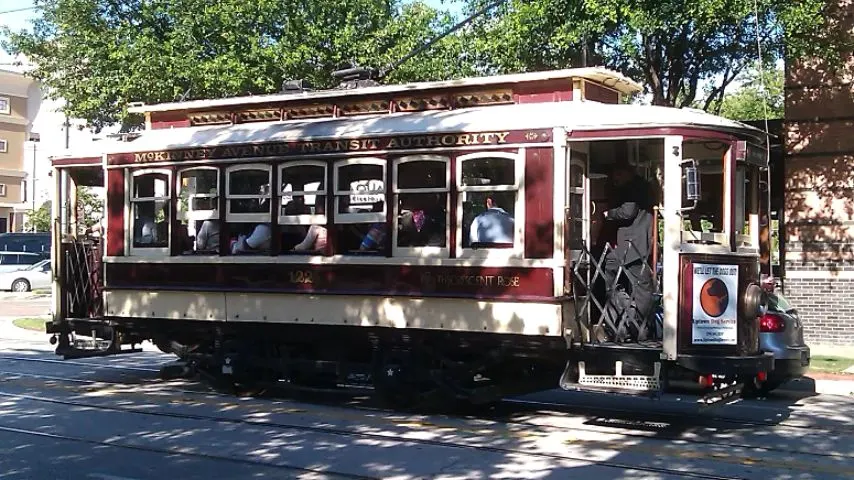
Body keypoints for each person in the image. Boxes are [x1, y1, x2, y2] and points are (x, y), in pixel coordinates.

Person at [601, 160, 655, 341]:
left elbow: (628, 211)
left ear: (627, 173)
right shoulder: (645, 186)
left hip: (630, 245)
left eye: (618, 175)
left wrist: (608, 214)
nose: (615, 179)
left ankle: (627, 316)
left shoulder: (631, 188)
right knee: (642, 286)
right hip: (642, 244)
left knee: (610, 271)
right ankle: (640, 328)